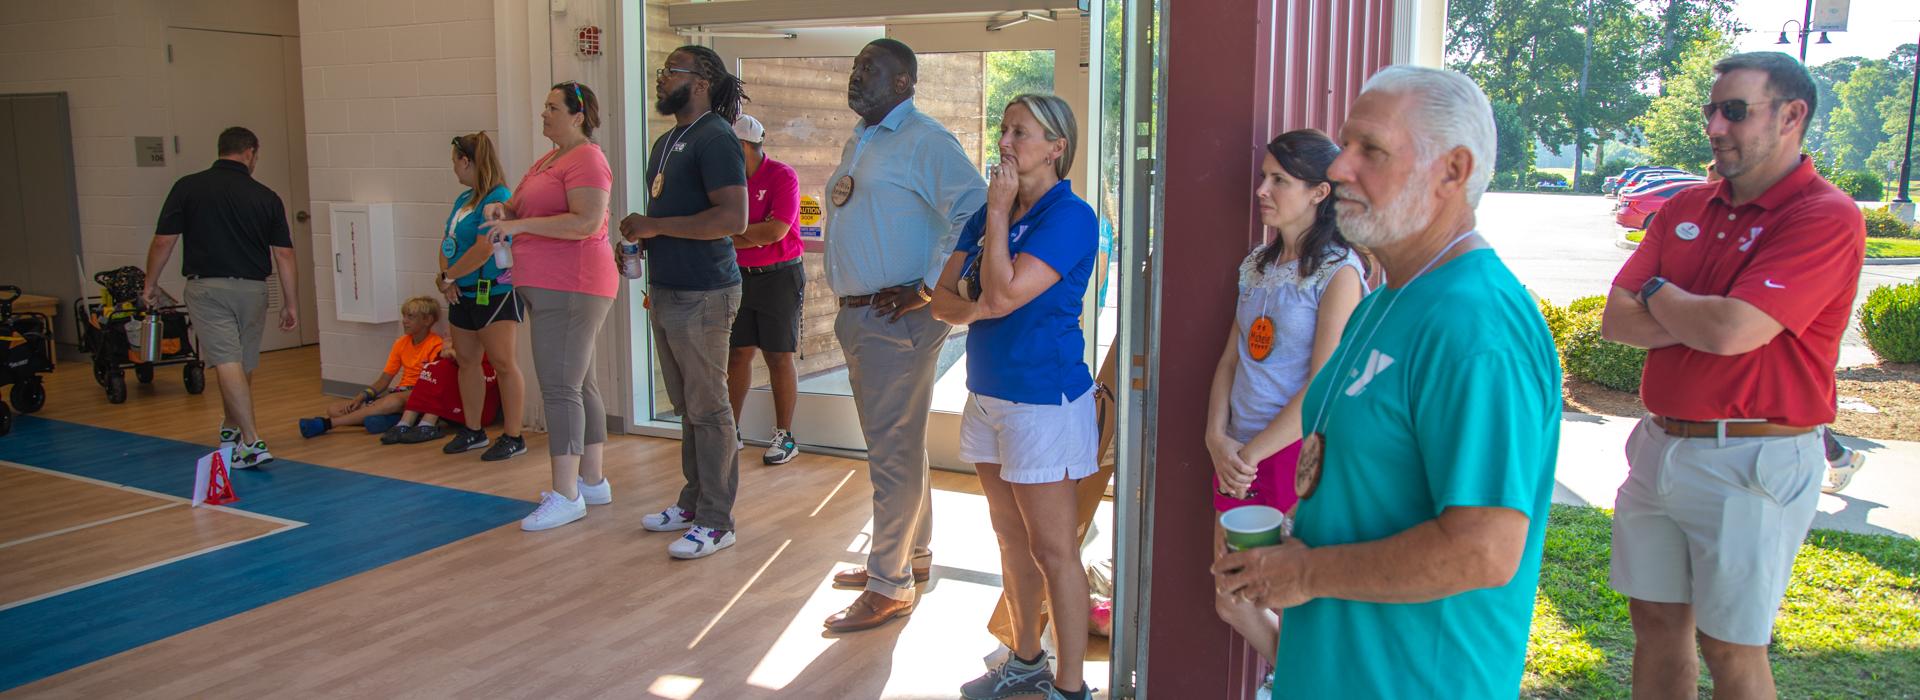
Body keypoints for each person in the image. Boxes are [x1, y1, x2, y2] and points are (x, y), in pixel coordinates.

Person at [1211, 66, 1561, 696]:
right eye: (1345, 146)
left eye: (1370, 150)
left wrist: (1310, 572)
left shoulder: (1477, 328)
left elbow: (1483, 550)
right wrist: (1303, 535)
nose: (1341, 168)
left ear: (1452, 171)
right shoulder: (1384, 301)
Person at [1600, 52, 1866, 698]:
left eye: (1735, 111)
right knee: (1656, 620)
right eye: (1711, 110)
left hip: (1751, 459)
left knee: (1732, 647)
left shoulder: (1824, 216)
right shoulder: (1689, 203)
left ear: (1792, 116)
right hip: (1660, 444)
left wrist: (1665, 291)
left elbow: (1733, 332)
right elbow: (1617, 320)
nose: (1716, 126)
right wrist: (1704, 312)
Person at [929, 94, 1097, 700]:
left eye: (1019, 133)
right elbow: (940, 298)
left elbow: (998, 298)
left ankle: (1070, 687)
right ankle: (1026, 659)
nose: (1004, 143)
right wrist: (982, 302)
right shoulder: (987, 210)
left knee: (1054, 550)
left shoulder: (1070, 216)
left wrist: (999, 217)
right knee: (1009, 538)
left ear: (1056, 147)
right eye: (1003, 130)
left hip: (1041, 401)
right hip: (988, 393)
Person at [819, 38, 987, 633]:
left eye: (870, 70)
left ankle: (888, 585)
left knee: (891, 453)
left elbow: (978, 209)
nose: (855, 76)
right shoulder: (862, 138)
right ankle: (908, 558)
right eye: (855, 65)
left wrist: (927, 285)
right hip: (862, 316)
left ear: (903, 84)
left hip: (897, 318)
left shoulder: (926, 140)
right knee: (899, 446)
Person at [1203, 129, 1365, 661]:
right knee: (1232, 596)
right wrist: (1215, 436)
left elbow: (1323, 386)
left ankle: (1295, 682)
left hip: (1292, 459)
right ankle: (1292, 678)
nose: (1262, 190)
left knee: (1288, 597)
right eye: (1264, 176)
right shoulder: (1256, 264)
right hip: (1236, 456)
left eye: (1279, 179)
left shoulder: (1339, 273)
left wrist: (1247, 455)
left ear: (1320, 192)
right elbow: (1231, 358)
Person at [619, 46, 751, 559]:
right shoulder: (668, 140)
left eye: (669, 71)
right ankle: (693, 501)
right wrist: (642, 237)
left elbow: (733, 219)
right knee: (689, 408)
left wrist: (655, 226)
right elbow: (674, 214)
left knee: (710, 408)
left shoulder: (716, 137)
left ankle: (718, 521)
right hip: (669, 288)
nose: (660, 80)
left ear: (699, 82)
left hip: (705, 293)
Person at [481, 81, 616, 532]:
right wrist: (506, 217)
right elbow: (522, 211)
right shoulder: (549, 159)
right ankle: (591, 481)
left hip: (573, 284)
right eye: (543, 106)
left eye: (552, 107)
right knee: (580, 384)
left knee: (560, 389)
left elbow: (586, 221)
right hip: (553, 285)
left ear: (578, 116)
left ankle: (566, 494)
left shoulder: (586, 158)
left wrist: (519, 226)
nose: (543, 114)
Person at [143, 126, 299, 469]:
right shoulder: (266, 196)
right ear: (250, 153)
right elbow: (284, 255)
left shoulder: (187, 187)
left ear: (221, 150)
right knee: (242, 362)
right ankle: (231, 428)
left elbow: (163, 242)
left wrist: (150, 284)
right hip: (254, 288)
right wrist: (291, 303)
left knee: (228, 361)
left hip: (207, 288)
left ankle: (251, 440)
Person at [437, 131, 527, 461]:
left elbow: (484, 248)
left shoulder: (497, 198)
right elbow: (448, 242)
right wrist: (446, 279)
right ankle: (472, 429)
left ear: (466, 161)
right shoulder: (464, 200)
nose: (453, 170)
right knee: (467, 361)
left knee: (503, 362)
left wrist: (451, 275)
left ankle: (514, 435)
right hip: (463, 290)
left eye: (454, 162)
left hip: (496, 291)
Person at [725, 113, 805, 466]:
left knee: (778, 355)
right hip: (739, 276)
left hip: (780, 276)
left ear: (743, 146)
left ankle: (785, 436)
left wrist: (732, 233)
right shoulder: (727, 182)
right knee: (738, 353)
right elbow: (750, 230)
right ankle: (730, 430)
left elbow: (775, 232)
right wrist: (747, 235)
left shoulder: (782, 175)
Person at [297, 296, 446, 439]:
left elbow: (432, 384)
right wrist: (360, 397)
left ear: (427, 320)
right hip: (398, 392)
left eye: (411, 317)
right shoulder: (401, 343)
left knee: (391, 402)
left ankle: (328, 424)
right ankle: (392, 420)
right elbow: (384, 380)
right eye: (404, 316)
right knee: (334, 409)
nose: (404, 321)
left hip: (418, 392)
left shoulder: (436, 344)